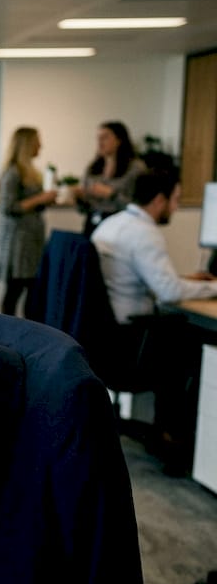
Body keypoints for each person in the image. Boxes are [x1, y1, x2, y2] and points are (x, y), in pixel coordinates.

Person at [92, 167, 217, 473]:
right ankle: (174, 442)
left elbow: (157, 282)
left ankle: (167, 435)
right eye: (175, 200)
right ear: (159, 200)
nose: (176, 207)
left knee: (183, 332)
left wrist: (189, 280)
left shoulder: (111, 224)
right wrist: (212, 287)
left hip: (105, 337)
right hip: (130, 343)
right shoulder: (144, 233)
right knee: (193, 347)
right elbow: (167, 291)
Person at [0, 126, 58, 315]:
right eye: (37, 141)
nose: (41, 145)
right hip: (18, 243)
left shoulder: (32, 173)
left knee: (32, 292)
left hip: (31, 241)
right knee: (14, 292)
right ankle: (7, 334)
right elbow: (8, 207)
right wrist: (40, 199)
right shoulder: (13, 173)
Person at [79, 121, 147, 237]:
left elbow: (140, 206)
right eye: (98, 138)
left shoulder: (136, 168)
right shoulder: (92, 168)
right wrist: (79, 198)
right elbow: (84, 209)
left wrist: (112, 194)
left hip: (121, 227)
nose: (100, 143)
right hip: (93, 224)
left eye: (105, 138)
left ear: (119, 140)